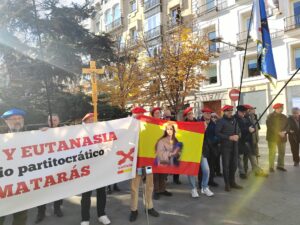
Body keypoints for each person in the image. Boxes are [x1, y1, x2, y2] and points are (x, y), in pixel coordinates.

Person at [129, 107, 159, 222]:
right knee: (134, 186)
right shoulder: (129, 126)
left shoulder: (149, 125)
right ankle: (134, 209)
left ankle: (149, 206)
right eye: (139, 113)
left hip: (148, 160)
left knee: (149, 184)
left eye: (143, 113)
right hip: (135, 161)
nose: (142, 115)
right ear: (134, 114)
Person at [80, 113, 111, 225]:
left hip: (100, 167)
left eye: (93, 120)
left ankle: (101, 214)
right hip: (86, 168)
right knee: (86, 195)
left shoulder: (101, 132)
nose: (91, 122)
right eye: (89, 120)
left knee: (101, 192)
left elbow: (108, 144)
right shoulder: (79, 132)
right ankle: (85, 218)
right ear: (85, 121)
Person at [0, 109, 28, 225]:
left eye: (19, 118)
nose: (17, 121)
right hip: (3, 187)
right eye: (13, 119)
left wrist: (48, 134)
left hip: (23, 186)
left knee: (21, 216)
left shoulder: (33, 137)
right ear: (6, 122)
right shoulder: (1, 138)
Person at [35, 114, 64, 223]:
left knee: (58, 190)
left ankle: (57, 208)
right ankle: (41, 212)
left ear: (59, 120)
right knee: (42, 191)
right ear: (47, 121)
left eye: (55, 120)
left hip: (60, 166)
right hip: (45, 167)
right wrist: (42, 133)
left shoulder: (65, 130)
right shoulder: (42, 132)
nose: (53, 122)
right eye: (50, 120)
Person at [235, 106, 268, 178]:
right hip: (239, 142)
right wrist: (248, 129)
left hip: (248, 141)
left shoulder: (246, 118)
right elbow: (238, 130)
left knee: (252, 156)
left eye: (244, 112)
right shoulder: (235, 119)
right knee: (240, 158)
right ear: (238, 111)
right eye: (242, 112)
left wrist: (253, 129)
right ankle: (242, 172)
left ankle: (257, 170)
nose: (243, 114)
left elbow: (252, 126)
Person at [216, 105, 243, 192]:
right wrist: (229, 137)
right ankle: (227, 184)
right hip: (225, 147)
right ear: (224, 112)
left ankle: (233, 182)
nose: (230, 112)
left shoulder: (234, 120)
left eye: (231, 111)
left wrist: (238, 136)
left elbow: (239, 131)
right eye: (228, 111)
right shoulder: (220, 121)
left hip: (235, 146)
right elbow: (217, 133)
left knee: (234, 165)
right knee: (226, 166)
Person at [152, 107, 173, 200]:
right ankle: (156, 191)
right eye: (156, 113)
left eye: (159, 113)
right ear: (152, 115)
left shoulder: (163, 124)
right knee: (155, 173)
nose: (158, 114)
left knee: (163, 172)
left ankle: (162, 189)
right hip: (154, 152)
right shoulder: (150, 124)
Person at [198, 107, 216, 197]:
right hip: (201, 149)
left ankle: (204, 186)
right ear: (203, 114)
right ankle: (203, 186)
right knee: (205, 169)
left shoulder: (213, 123)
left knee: (209, 168)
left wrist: (213, 141)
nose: (208, 115)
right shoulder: (198, 123)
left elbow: (216, 134)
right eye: (206, 113)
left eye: (209, 113)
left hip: (211, 149)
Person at [184, 107, 200, 198]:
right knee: (191, 170)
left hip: (198, 149)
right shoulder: (184, 124)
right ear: (186, 116)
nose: (191, 115)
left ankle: (204, 186)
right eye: (189, 114)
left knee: (204, 169)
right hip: (188, 150)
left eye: (191, 113)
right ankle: (193, 188)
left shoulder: (198, 123)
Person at [266, 103, 288, 172]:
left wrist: (284, 132)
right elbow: (270, 126)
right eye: (281, 107)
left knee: (282, 152)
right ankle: (271, 167)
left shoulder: (284, 116)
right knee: (272, 152)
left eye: (282, 107)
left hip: (282, 137)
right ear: (277, 108)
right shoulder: (270, 116)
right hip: (272, 137)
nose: (282, 109)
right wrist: (278, 132)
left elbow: (288, 125)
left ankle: (280, 165)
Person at [163, 109, 181, 185]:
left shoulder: (174, 123)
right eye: (166, 117)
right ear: (163, 117)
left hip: (173, 145)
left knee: (176, 161)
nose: (168, 118)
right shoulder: (160, 124)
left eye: (169, 117)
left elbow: (178, 132)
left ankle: (176, 178)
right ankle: (164, 178)